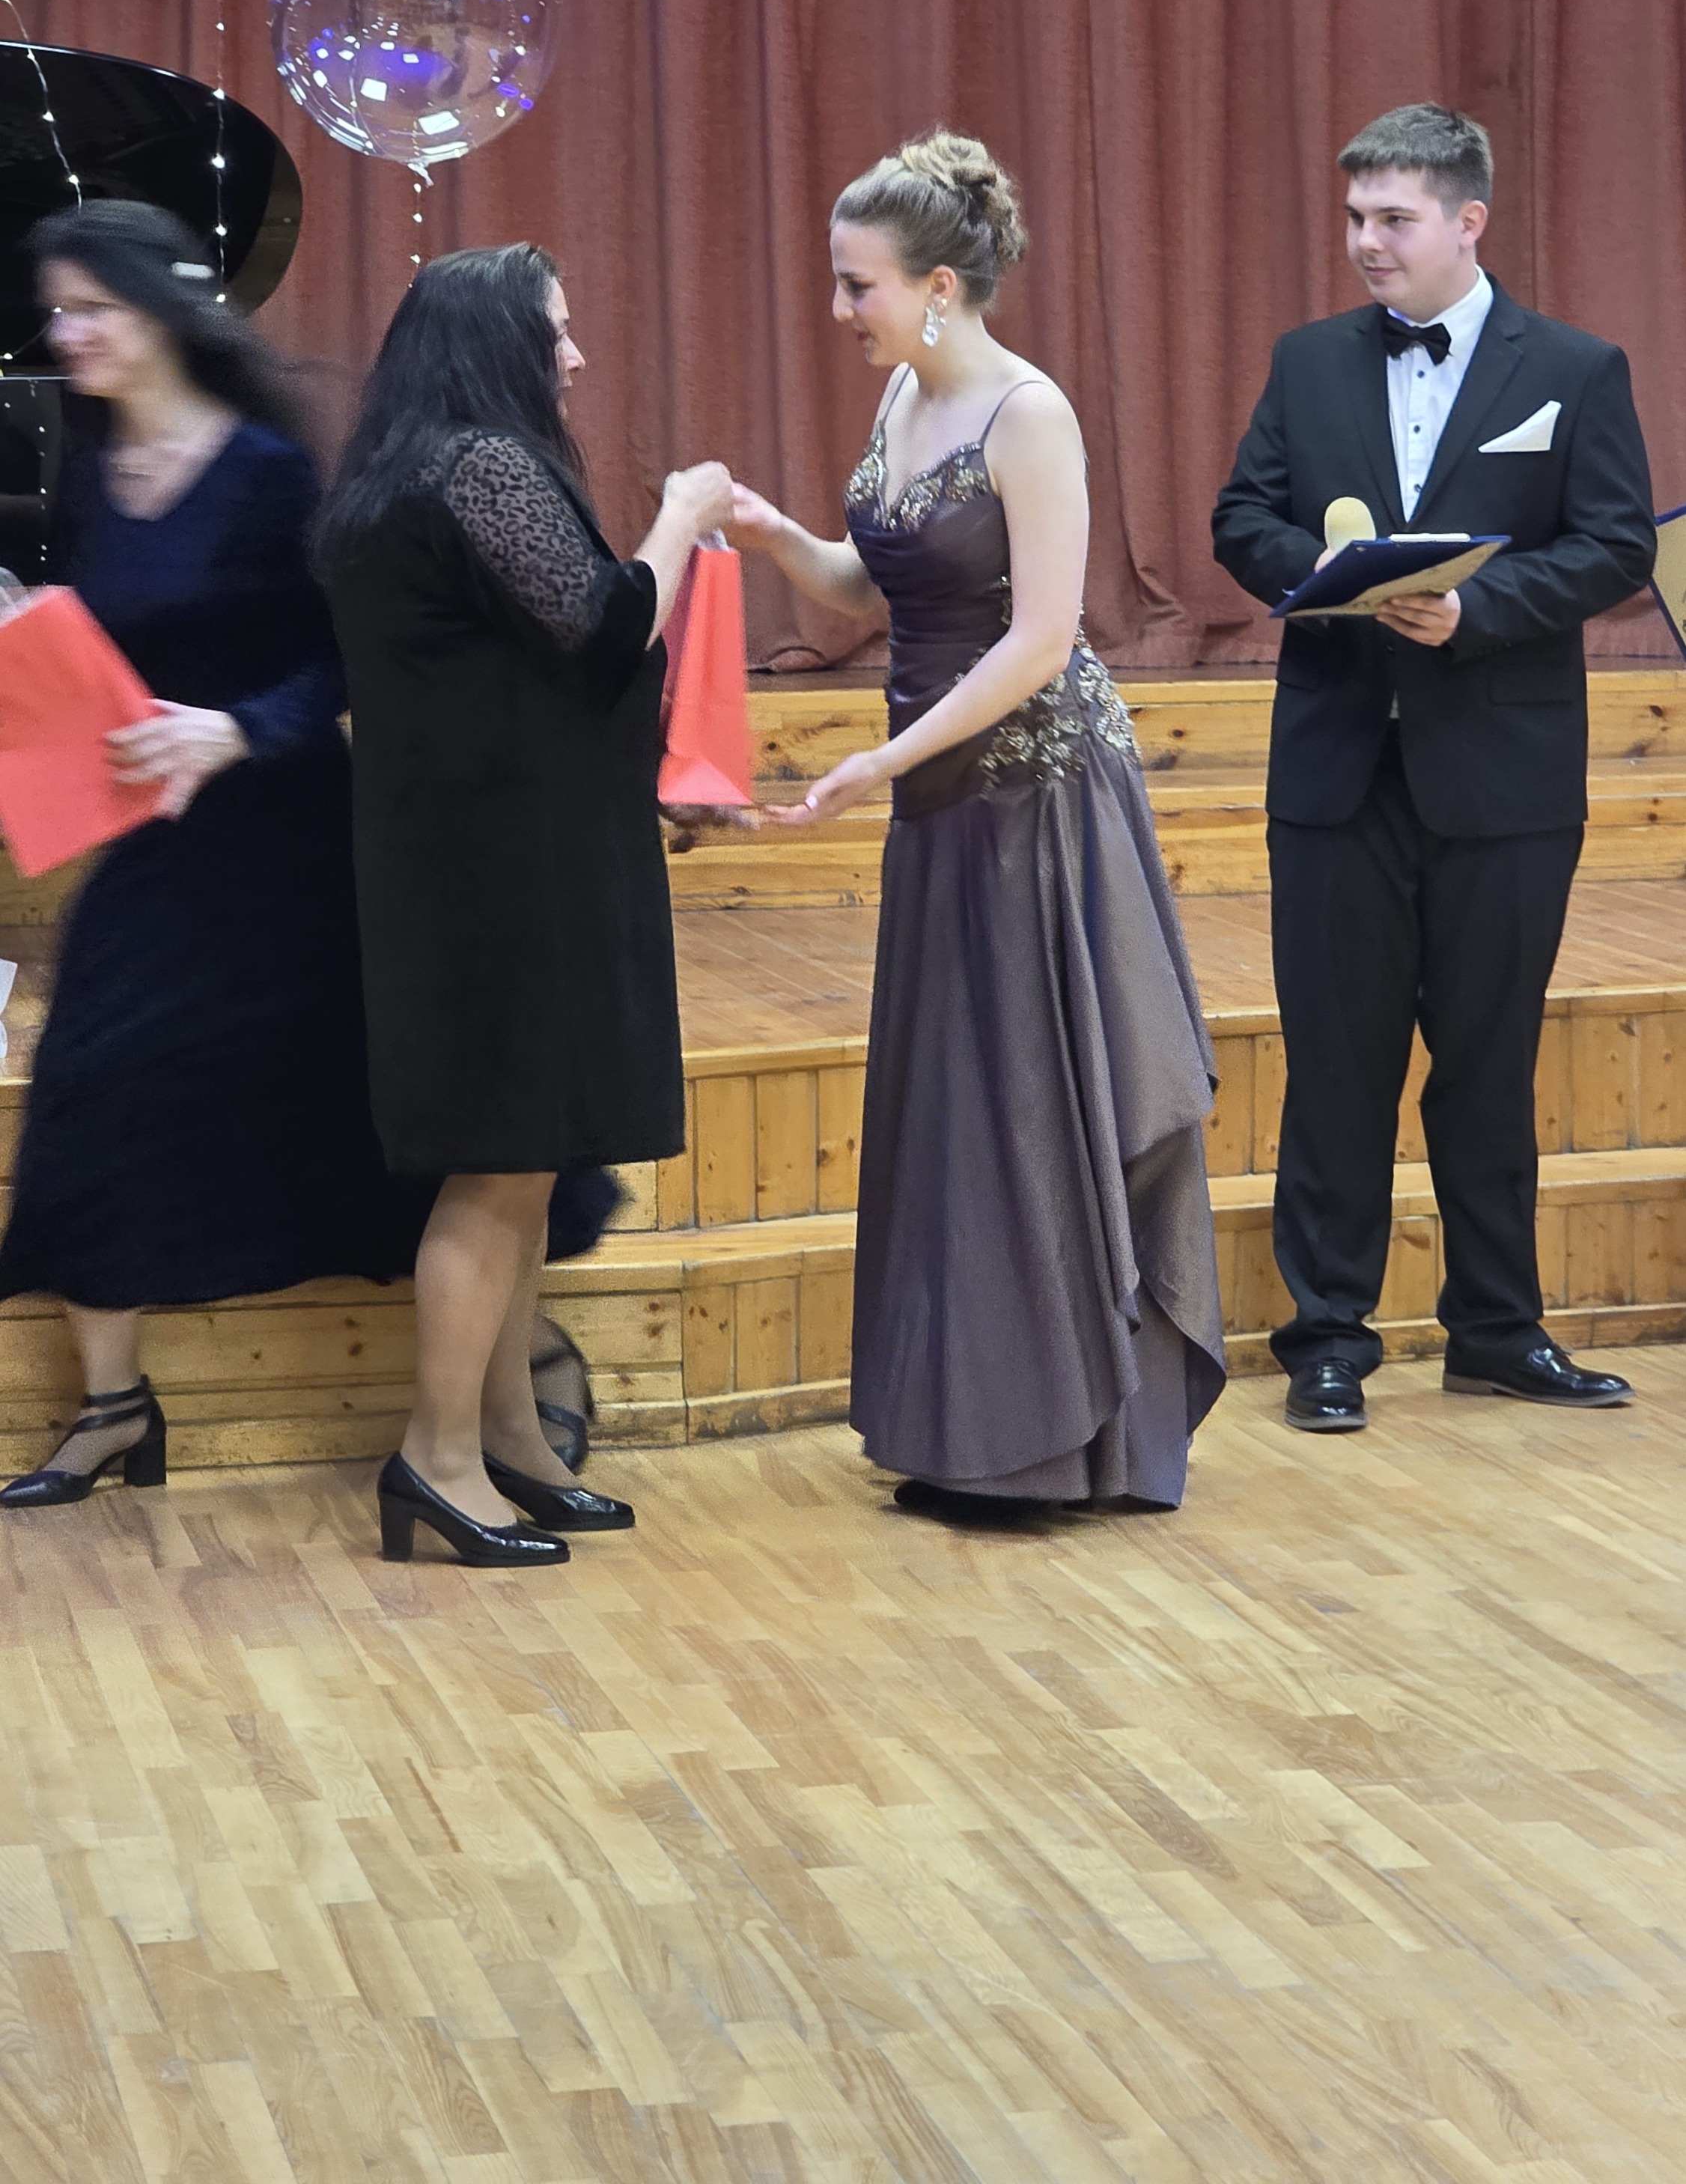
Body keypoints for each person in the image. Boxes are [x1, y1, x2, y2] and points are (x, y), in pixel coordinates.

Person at [731, 130, 1226, 1518]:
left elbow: (1042, 639)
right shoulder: (904, 397)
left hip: (1035, 799)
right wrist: (775, 535)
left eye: (859, 286)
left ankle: (1058, 1445)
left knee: (1030, 1105)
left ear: (939, 288)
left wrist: (883, 758)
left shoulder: (1030, 414)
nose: (841, 309)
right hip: (943, 795)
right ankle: (973, 1429)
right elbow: (872, 578)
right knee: (962, 1108)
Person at [1212, 103, 1657, 1432]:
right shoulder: (1307, 362)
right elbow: (1242, 517)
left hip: (1504, 776)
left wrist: (1479, 610)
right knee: (1336, 1063)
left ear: (1469, 222)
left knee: (1489, 1060)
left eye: (1393, 218)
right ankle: (1328, 1338)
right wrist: (1325, 576)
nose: (1366, 241)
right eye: (1355, 216)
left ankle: (1498, 1332)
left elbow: (1616, 544)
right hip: (1338, 769)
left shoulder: (1575, 368)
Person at [0, 199, 434, 1506]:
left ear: (157, 310)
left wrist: (235, 731)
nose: (66, 333)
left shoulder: (265, 471)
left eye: (92, 308)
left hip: (289, 844)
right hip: (159, 842)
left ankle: (519, 1362)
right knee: (88, 1085)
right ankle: (115, 1409)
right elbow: (116, 655)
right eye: (58, 309)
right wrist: (32, 626)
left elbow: (345, 658)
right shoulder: (91, 471)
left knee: (370, 1112)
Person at [319, 244, 732, 1567]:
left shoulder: (400, 477)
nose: (575, 355)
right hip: (503, 872)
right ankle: (436, 1458)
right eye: (555, 332)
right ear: (492, 342)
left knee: (525, 1157)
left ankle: (509, 1436)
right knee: (500, 1162)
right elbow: (604, 627)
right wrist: (681, 517)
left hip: (478, 856)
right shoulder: (480, 467)